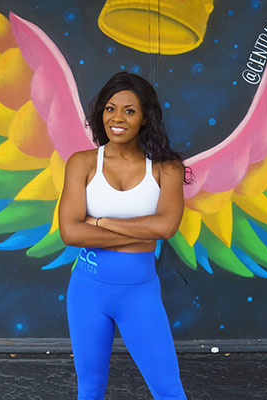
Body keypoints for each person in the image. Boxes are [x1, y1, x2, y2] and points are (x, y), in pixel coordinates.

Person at [59, 72, 191, 400]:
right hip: (86, 290)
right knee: (89, 389)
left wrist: (100, 221)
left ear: (146, 117)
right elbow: (70, 231)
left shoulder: (167, 168)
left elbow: (166, 228)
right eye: (110, 108)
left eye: (130, 110)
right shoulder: (82, 163)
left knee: (169, 390)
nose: (117, 118)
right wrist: (142, 238)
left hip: (140, 294)